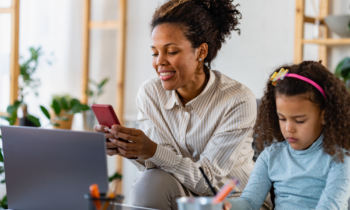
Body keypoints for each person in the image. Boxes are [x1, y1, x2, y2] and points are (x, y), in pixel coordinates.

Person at [95, 0, 271, 209]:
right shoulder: (151, 94)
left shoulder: (237, 99)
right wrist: (131, 149)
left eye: (171, 51)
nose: (159, 61)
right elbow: (161, 167)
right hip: (181, 192)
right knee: (152, 180)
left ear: (201, 52)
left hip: (232, 201)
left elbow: (207, 181)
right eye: (155, 52)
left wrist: (151, 150)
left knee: (155, 181)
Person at [228, 61, 350, 210]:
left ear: (324, 115)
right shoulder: (270, 157)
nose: (288, 128)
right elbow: (249, 203)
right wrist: (223, 205)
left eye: (299, 120)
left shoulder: (339, 161)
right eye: (282, 118)